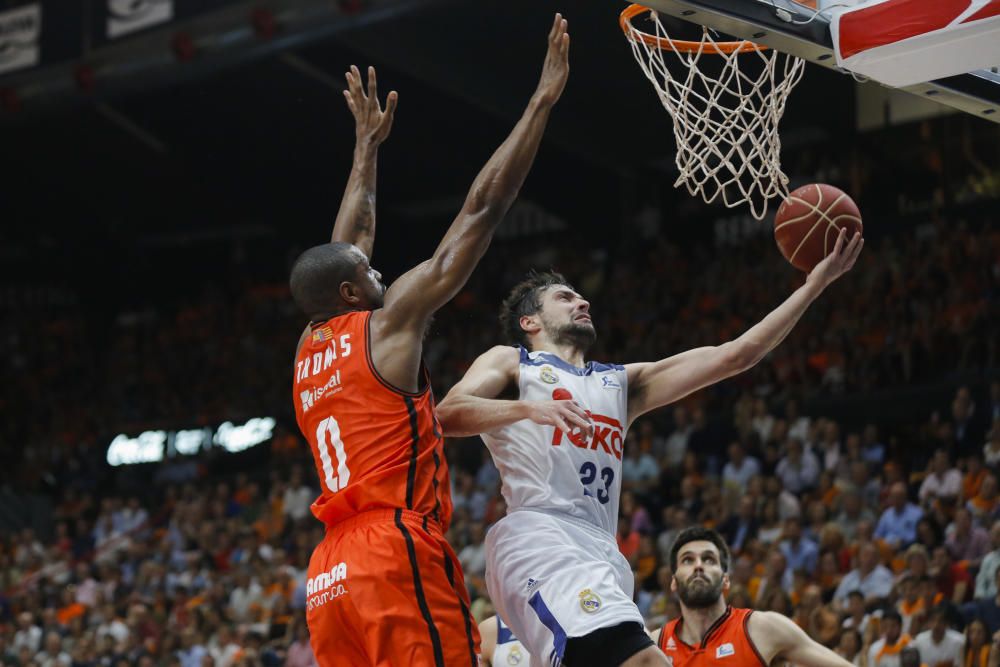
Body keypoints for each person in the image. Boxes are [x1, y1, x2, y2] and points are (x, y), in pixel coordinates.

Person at [437, 228, 862, 667]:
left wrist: (814, 286)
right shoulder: (513, 363)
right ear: (530, 323)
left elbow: (738, 354)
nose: (582, 302)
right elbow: (446, 415)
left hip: (602, 549)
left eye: (581, 297)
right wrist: (527, 410)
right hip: (541, 536)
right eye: (565, 298)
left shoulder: (621, 383)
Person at [289, 15, 571, 666]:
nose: (380, 269)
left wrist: (366, 149)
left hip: (330, 573)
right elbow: (481, 210)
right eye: (371, 274)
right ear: (353, 296)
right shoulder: (386, 327)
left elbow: (346, 247)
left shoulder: (309, 342)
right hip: (394, 546)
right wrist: (541, 102)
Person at [649, 527, 854, 666]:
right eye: (687, 560)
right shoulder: (654, 645)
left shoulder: (762, 628)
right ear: (673, 581)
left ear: (725, 580)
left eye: (709, 559)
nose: (699, 566)